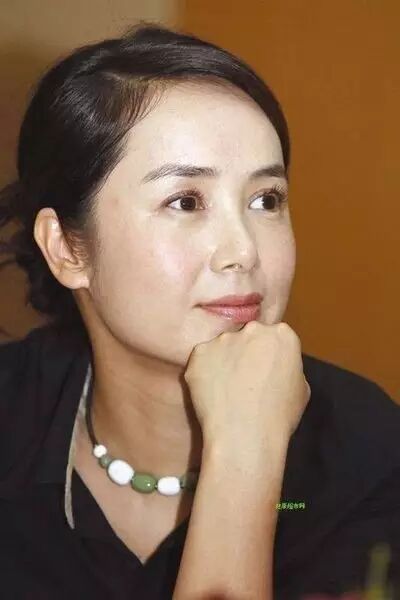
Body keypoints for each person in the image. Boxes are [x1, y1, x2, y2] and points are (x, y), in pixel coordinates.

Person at [0, 22, 399, 600]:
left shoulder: (368, 454)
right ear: (67, 249)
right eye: (185, 201)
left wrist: (246, 454)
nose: (243, 251)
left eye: (266, 199)